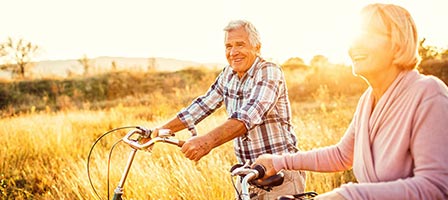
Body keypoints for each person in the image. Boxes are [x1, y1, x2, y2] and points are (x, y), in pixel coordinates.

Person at [253, 3, 448, 200]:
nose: (356, 45)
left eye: (369, 35)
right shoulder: (367, 100)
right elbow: (341, 156)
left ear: (398, 43)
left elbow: (436, 187)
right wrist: (279, 162)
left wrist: (345, 196)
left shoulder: (428, 93)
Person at [150, 19, 306, 199]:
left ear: (257, 47)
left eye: (240, 45)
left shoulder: (269, 71)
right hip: (247, 175)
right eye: (228, 46)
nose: (233, 52)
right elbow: (201, 106)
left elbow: (249, 115)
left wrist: (206, 141)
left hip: (281, 176)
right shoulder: (228, 74)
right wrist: (160, 130)